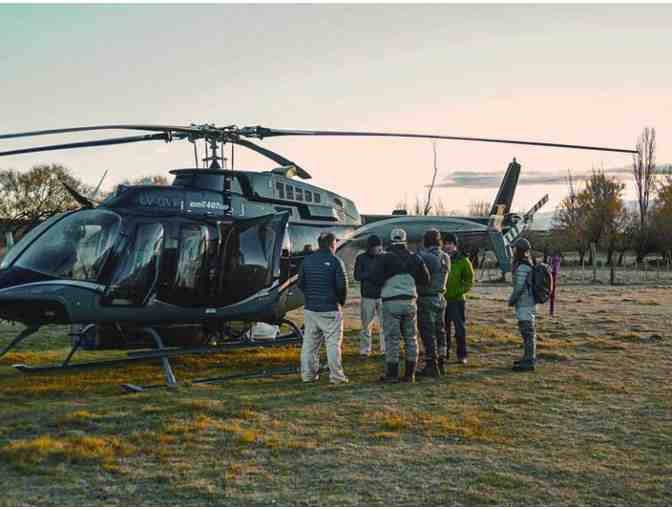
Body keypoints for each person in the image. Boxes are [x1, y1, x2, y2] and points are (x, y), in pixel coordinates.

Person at [370, 228, 430, 383]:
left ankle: (392, 374)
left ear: (391, 239)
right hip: (410, 301)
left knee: (392, 338)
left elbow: (375, 279)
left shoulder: (384, 258)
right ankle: (410, 374)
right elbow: (425, 279)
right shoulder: (415, 258)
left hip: (391, 302)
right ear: (405, 239)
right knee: (411, 338)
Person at [298, 232, 349, 384]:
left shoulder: (307, 261)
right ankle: (337, 377)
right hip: (330, 309)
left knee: (309, 345)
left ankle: (308, 376)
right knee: (333, 344)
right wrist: (341, 302)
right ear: (331, 244)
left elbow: (301, 283)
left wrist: (310, 296)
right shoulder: (335, 261)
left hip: (311, 309)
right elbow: (342, 287)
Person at [415, 229, 450, 378]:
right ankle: (441, 361)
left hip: (426, 297)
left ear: (426, 241)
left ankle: (431, 364)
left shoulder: (425, 257)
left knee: (428, 332)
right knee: (440, 331)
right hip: (440, 297)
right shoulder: (446, 257)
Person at [443, 233, 475, 368]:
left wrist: (458, 292)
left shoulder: (463, 260)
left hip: (457, 300)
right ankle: (444, 353)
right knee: (444, 329)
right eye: (446, 243)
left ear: (455, 245)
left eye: (450, 243)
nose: (448, 246)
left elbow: (469, 280)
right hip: (442, 300)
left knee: (459, 329)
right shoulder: (441, 258)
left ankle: (462, 355)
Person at [508, 238, 537, 372]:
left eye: (514, 248)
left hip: (524, 303)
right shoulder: (527, 263)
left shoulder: (522, 266)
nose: (513, 250)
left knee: (527, 332)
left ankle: (529, 361)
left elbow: (519, 288)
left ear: (518, 250)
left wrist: (511, 300)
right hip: (528, 302)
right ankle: (527, 358)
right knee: (527, 332)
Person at [354, 235, 385, 357]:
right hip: (367, 296)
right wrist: (371, 274)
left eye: (379, 247)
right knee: (366, 325)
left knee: (384, 325)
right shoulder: (361, 258)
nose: (377, 249)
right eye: (375, 247)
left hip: (383, 296)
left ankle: (385, 350)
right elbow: (357, 276)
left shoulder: (385, 257)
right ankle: (365, 350)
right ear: (369, 247)